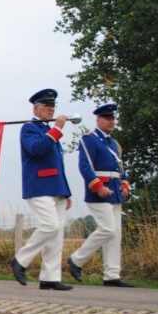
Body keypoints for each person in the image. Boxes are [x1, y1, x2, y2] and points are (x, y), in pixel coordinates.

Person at [10, 89, 73, 290]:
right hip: (38, 186)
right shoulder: (29, 128)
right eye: (46, 106)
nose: (50, 109)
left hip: (56, 187)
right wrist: (56, 130)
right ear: (36, 108)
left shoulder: (48, 131)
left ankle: (50, 277)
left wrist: (66, 191)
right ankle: (21, 260)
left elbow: (58, 163)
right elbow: (37, 149)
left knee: (56, 235)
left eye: (52, 106)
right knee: (50, 225)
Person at [67, 103, 134, 288]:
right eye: (108, 119)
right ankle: (76, 260)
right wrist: (98, 187)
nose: (111, 122)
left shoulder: (114, 144)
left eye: (113, 119)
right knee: (107, 229)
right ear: (99, 120)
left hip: (115, 193)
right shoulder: (89, 139)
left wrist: (125, 183)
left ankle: (111, 275)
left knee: (115, 235)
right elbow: (85, 166)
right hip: (99, 192)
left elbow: (120, 167)